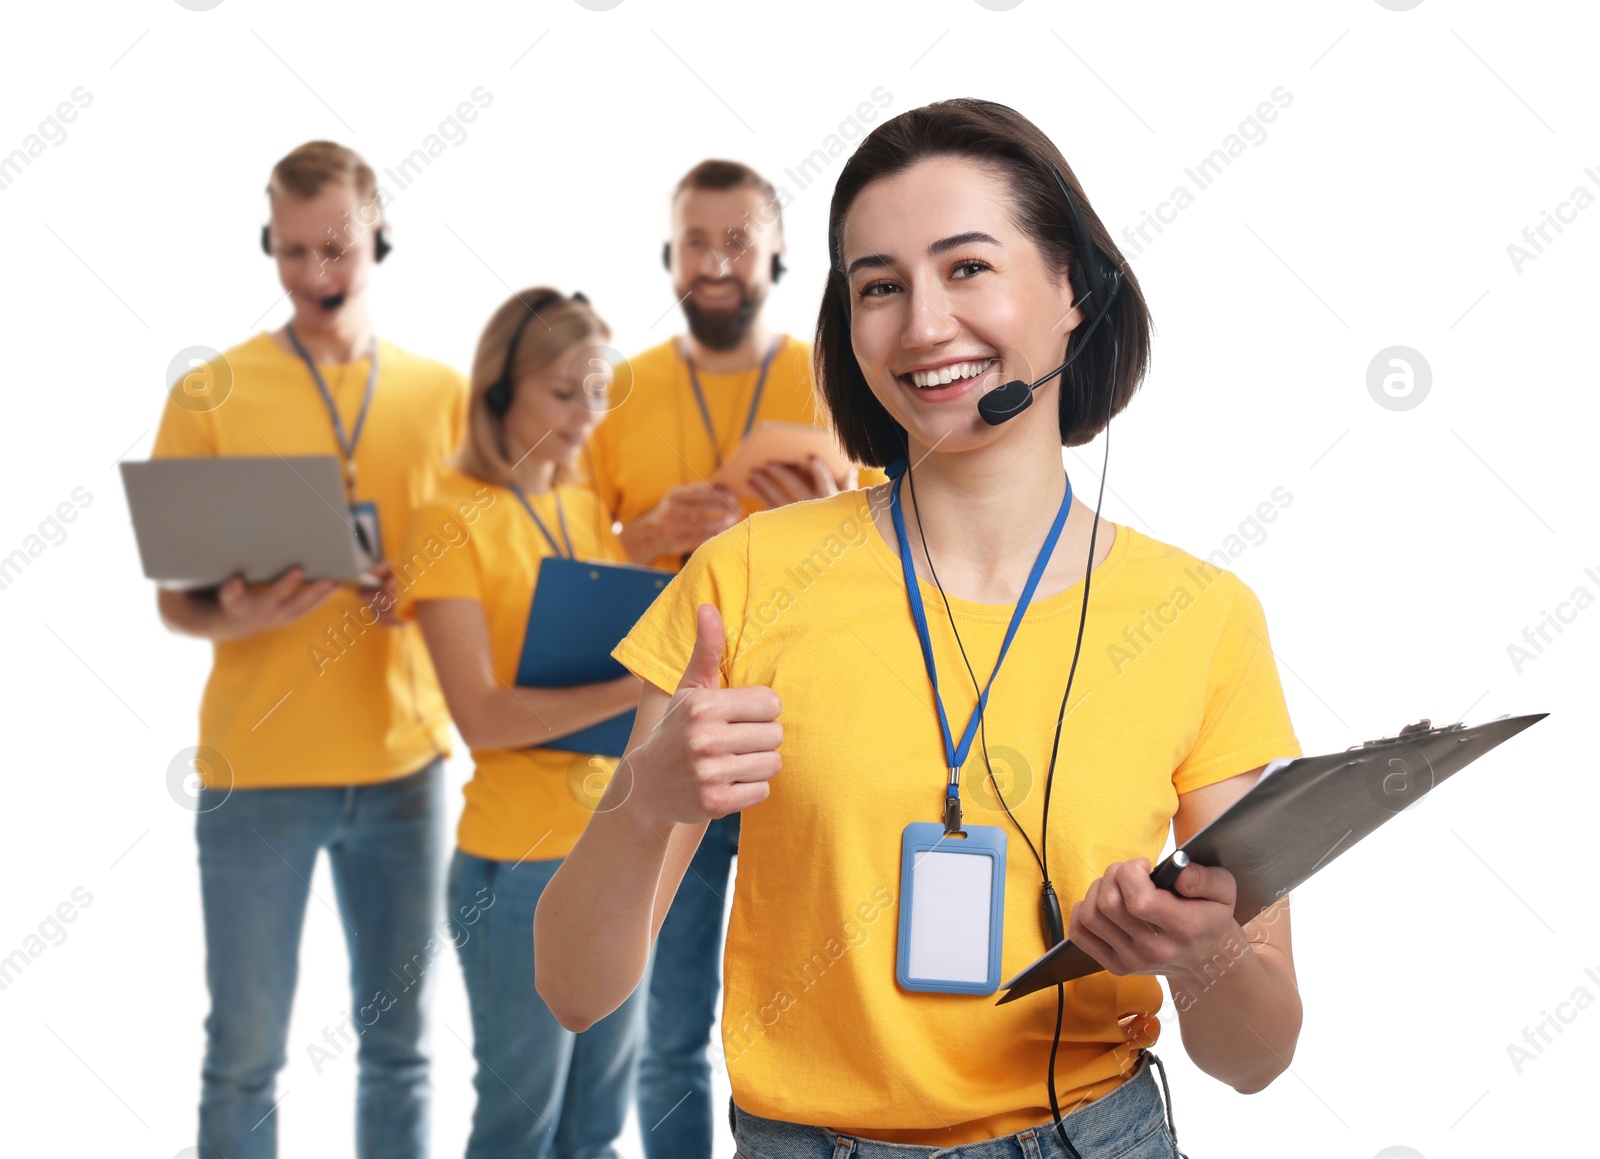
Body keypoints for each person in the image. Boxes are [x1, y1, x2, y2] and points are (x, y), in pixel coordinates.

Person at [535, 99, 1306, 1159]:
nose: (924, 326)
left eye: (967, 268)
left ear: (1073, 289)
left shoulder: (1203, 618)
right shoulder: (746, 575)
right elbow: (575, 992)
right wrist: (640, 807)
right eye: (879, 287)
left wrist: (1200, 949)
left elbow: (1259, 1056)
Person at [151, 140, 465, 1159]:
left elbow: (486, 585)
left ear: (379, 236)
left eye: (334, 249)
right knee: (242, 1054)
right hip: (258, 774)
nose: (315, 276)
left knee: (400, 1050)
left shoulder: (443, 396)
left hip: (403, 771)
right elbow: (179, 604)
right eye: (290, 252)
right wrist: (247, 611)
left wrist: (419, 599)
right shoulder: (212, 392)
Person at [581, 158, 886, 1159]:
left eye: (738, 239)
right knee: (665, 1028)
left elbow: (912, 534)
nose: (716, 261)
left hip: (823, 741)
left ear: (779, 253)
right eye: (697, 240)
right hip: (676, 739)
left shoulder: (837, 376)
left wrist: (825, 498)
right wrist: (643, 535)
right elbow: (556, 574)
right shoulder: (617, 393)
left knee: (833, 1005)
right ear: (670, 255)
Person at [395, 287, 647, 1159]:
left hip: (615, 849)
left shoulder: (584, 513)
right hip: (520, 862)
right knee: (521, 1123)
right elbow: (486, 716)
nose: (586, 415)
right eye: (562, 391)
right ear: (500, 391)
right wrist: (634, 687)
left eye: (598, 391)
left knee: (596, 1125)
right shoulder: (447, 519)